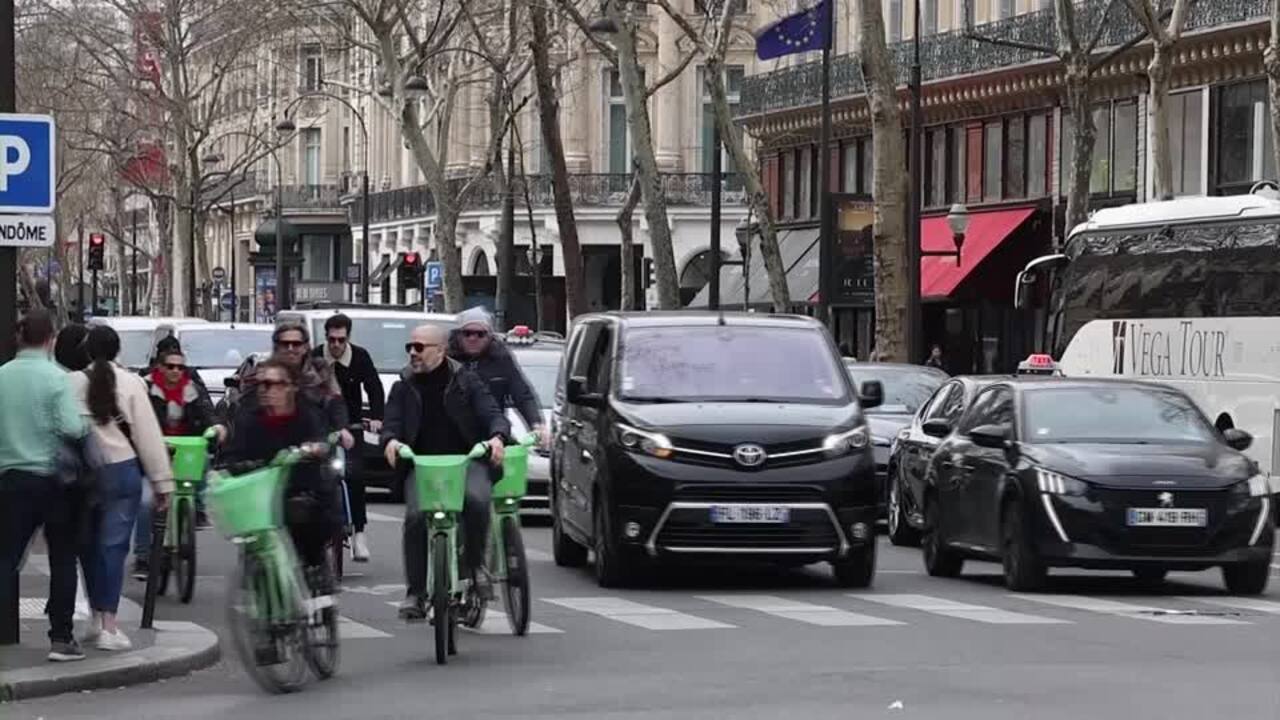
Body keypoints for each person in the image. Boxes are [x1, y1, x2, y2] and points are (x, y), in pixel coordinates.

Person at [382, 324, 509, 620]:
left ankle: (476, 569)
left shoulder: (466, 381)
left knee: (476, 502)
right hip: (421, 464)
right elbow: (392, 421)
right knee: (415, 518)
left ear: (440, 351)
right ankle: (415, 592)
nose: (413, 353)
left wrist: (497, 437)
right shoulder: (403, 385)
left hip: (467, 461)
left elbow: (492, 414)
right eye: (409, 347)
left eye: (420, 347)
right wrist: (391, 441)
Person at [69, 325, 173, 652]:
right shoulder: (131, 384)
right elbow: (147, 435)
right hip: (122, 469)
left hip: (83, 474)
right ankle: (110, 625)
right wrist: (162, 482)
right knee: (113, 547)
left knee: (87, 545)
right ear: (117, 351)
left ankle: (95, 618)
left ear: (86, 351)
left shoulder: (70, 384)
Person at [0, 310, 90, 662]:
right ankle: (61, 637)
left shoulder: (2, 376)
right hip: (53, 481)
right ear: (51, 340)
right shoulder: (57, 379)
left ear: (20, 339)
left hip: (11, 478)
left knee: (6, 557)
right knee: (63, 558)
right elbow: (72, 427)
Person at [220, 357, 338, 593]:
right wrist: (233, 467)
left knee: (312, 520)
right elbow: (231, 454)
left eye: (274, 384)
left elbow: (322, 441)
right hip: (261, 495)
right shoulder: (249, 417)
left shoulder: (307, 414)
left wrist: (313, 449)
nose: (266, 390)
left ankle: (316, 569)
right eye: (262, 384)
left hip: (300, 489)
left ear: (291, 387)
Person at [131, 342, 216, 579]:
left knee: (204, 465)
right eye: (170, 367)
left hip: (184, 456)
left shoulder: (192, 390)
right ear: (160, 367)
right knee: (147, 501)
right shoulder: (145, 390)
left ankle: (196, 511)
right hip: (151, 460)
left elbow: (208, 413)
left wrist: (216, 427)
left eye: (181, 368)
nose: (176, 372)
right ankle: (142, 556)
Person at [312, 313, 384, 562]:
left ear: (348, 338)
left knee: (355, 476)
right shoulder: (315, 357)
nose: (336, 345)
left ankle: (359, 533)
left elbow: (374, 387)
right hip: (321, 427)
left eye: (341, 340)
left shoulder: (360, 356)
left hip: (351, 427)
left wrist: (376, 417)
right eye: (332, 340)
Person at [212, 322, 352, 450]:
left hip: (311, 443)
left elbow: (334, 399)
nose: (290, 349)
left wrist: (341, 428)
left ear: (305, 347)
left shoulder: (318, 370)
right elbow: (239, 402)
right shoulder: (262, 370)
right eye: (285, 344)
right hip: (268, 445)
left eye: (296, 344)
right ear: (276, 346)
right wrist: (224, 427)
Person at [448, 307, 547, 446]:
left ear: (490, 336)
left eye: (480, 334)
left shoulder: (501, 358)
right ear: (458, 335)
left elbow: (521, 393)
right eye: (467, 333)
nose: (473, 338)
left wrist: (536, 424)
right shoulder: (445, 359)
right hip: (451, 439)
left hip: (492, 435)